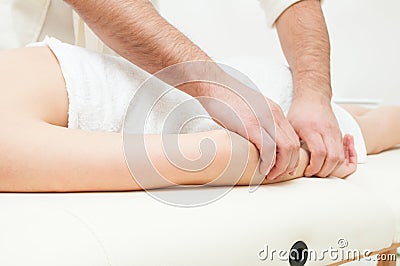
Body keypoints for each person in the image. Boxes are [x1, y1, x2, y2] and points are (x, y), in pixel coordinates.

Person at [3, 0, 344, 180]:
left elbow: (226, 156)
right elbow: (220, 155)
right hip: (149, 87)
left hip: (161, 86)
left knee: (361, 123)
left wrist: (315, 91)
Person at [0, 40, 399, 192]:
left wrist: (310, 157)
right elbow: (222, 154)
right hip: (224, 92)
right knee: (364, 119)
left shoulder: (9, 148)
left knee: (375, 127)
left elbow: (227, 154)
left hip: (248, 103)